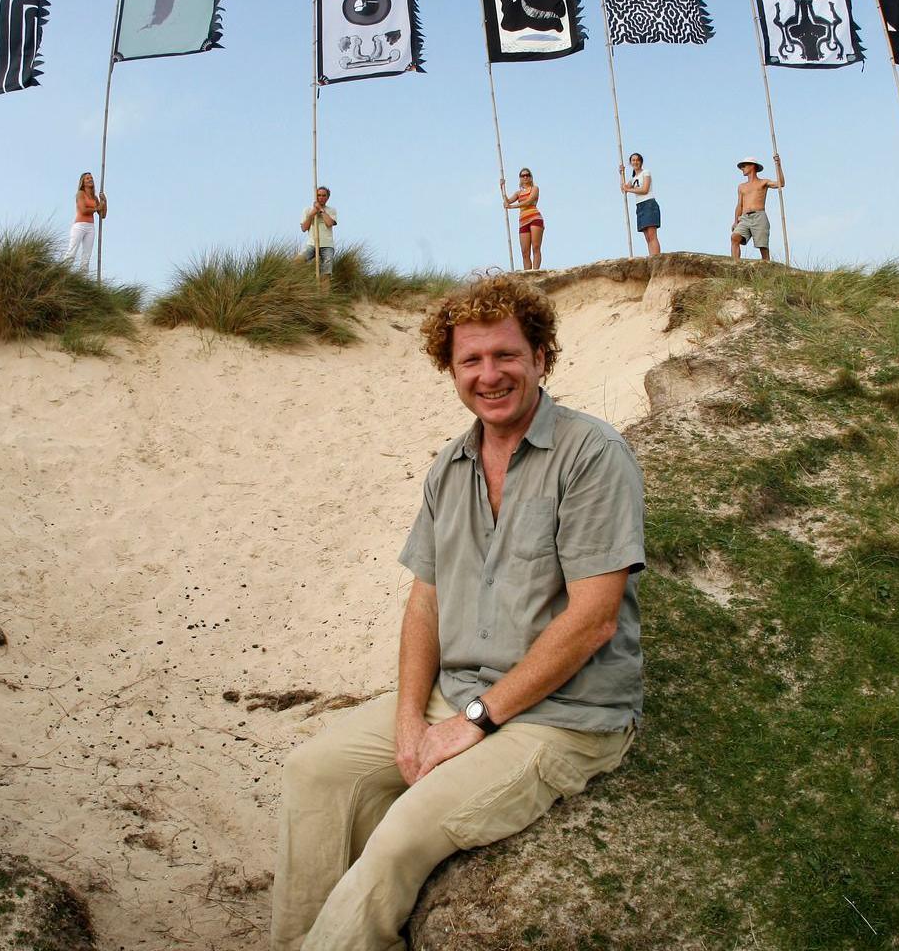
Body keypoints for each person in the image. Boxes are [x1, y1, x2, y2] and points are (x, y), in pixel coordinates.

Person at [271, 274, 645, 951]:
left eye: (506, 355)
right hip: (460, 695)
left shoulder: (592, 455)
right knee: (315, 773)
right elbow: (426, 601)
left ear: (541, 358)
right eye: (470, 360)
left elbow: (594, 619)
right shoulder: (451, 466)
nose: (489, 374)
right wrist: (412, 719)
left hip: (564, 718)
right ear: (451, 368)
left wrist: (477, 720)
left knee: (401, 835)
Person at [728, 155, 783, 261]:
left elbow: (781, 183)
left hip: (759, 216)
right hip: (744, 217)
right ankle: (735, 266)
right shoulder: (741, 186)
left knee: (763, 246)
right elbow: (739, 205)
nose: (742, 169)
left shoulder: (763, 182)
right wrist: (736, 221)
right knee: (735, 238)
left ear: (752, 166)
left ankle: (767, 268)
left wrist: (778, 165)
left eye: (744, 166)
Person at [620, 152, 660, 256]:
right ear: (631, 163)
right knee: (647, 237)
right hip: (640, 206)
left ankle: (656, 258)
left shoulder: (645, 172)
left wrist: (630, 189)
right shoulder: (633, 179)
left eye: (637, 160)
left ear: (641, 162)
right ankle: (652, 257)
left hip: (648, 204)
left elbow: (645, 189)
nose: (635, 162)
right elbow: (623, 189)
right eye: (633, 160)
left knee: (652, 235)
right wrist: (621, 174)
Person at [505, 169, 544, 271]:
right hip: (523, 221)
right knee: (525, 252)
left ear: (530, 177)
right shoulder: (518, 193)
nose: (525, 177)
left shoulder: (535, 188)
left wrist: (512, 206)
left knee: (535, 247)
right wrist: (502, 187)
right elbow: (506, 201)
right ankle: (527, 273)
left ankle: (535, 272)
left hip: (534, 218)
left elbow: (528, 201)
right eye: (523, 176)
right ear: (520, 178)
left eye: (527, 175)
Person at [69, 172, 105, 274]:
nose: (90, 179)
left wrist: (104, 201)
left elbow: (102, 215)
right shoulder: (80, 194)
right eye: (87, 178)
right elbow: (83, 210)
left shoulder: (95, 198)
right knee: (72, 252)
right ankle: (63, 274)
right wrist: (97, 208)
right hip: (79, 226)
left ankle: (83, 279)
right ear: (83, 182)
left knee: (86, 256)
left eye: (91, 178)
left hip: (90, 227)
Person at [302, 186, 339, 275]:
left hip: (327, 245)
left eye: (323, 195)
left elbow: (329, 223)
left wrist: (321, 210)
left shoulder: (331, 210)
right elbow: (304, 228)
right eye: (319, 195)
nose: (321, 198)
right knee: (298, 262)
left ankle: (324, 289)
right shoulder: (307, 210)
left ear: (327, 197)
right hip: (312, 244)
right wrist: (311, 214)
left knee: (326, 273)